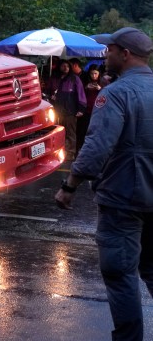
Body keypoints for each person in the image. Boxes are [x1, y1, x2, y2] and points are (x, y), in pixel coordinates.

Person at [55, 27, 153, 341]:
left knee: (121, 274)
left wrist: (70, 184)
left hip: (122, 200)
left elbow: (97, 146)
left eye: (109, 49)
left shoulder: (115, 94)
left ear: (125, 54)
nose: (104, 54)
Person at [50, 58, 86, 161]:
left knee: (70, 133)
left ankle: (70, 153)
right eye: (63, 66)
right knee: (57, 132)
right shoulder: (55, 78)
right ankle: (58, 151)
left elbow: (81, 94)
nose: (65, 68)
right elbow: (49, 92)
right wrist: (51, 96)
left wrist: (81, 109)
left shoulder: (74, 79)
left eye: (67, 66)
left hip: (70, 111)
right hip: (57, 111)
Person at [77, 64, 104, 151]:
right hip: (86, 111)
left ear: (99, 74)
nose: (94, 76)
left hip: (98, 111)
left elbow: (107, 97)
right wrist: (85, 88)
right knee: (84, 131)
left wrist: (100, 89)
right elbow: (80, 95)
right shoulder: (85, 82)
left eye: (95, 73)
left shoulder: (103, 83)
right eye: (92, 73)